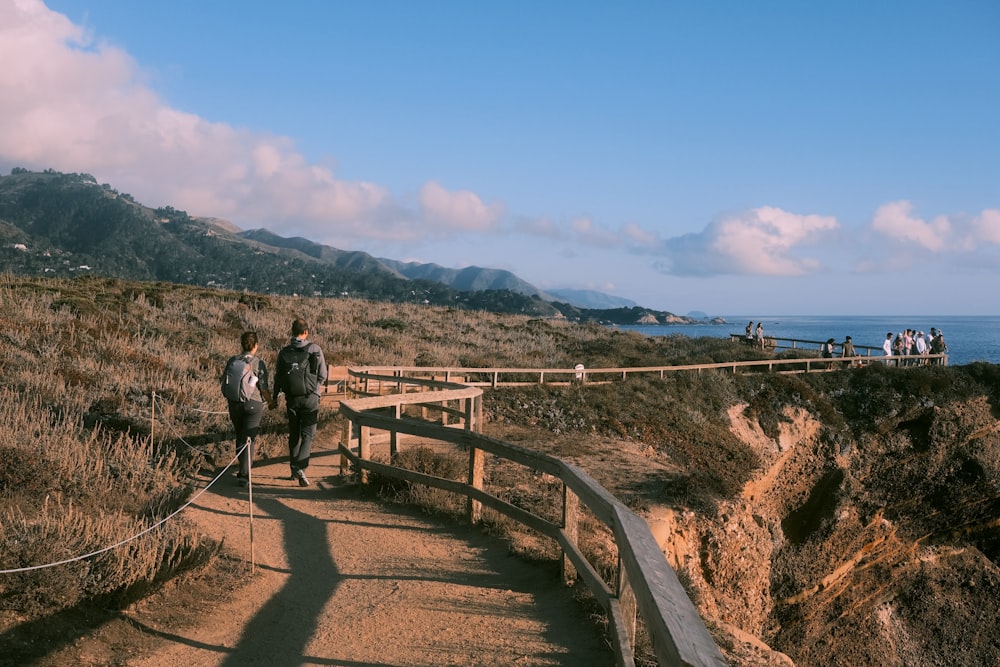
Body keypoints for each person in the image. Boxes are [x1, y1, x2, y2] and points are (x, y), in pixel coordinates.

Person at [271, 317, 327, 486]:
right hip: (310, 399)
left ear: (292, 332)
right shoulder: (314, 349)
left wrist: (274, 397)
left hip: (292, 399)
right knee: (308, 435)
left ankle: (293, 472)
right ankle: (300, 467)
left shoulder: (284, 352)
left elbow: (278, 377)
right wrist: (315, 387)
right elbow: (323, 375)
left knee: (294, 434)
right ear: (306, 332)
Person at [222, 331, 271, 487]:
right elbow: (263, 387)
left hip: (234, 403)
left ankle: (242, 466)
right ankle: (244, 475)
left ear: (242, 344)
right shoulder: (258, 363)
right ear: (256, 345)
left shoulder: (232, 361)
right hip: (253, 403)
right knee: (249, 439)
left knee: (239, 435)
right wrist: (270, 401)